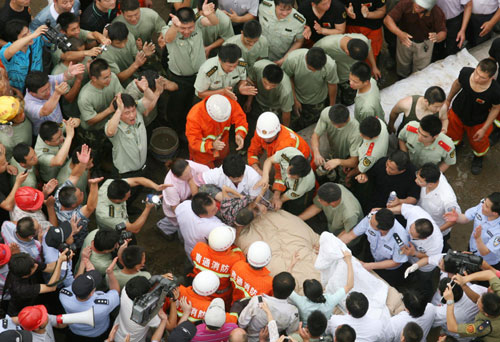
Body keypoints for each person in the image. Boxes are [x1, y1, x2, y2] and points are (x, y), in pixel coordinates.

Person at [162, 4, 219, 138]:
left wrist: (209, 14)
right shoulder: (171, 27)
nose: (187, 31)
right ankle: (175, 128)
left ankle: (189, 126)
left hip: (199, 75)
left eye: (190, 27)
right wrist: (176, 27)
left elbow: (214, 22)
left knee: (192, 102)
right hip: (179, 77)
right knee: (176, 104)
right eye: (183, 28)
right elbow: (167, 38)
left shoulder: (197, 21)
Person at [445, 59, 500, 174]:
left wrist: (484, 128)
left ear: (491, 78)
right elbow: (457, 84)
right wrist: (448, 100)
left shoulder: (495, 91)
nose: (476, 78)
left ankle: (478, 157)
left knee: (479, 142)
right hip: (457, 112)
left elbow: (496, 108)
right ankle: (456, 145)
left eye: (482, 78)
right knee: (452, 134)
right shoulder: (465, 73)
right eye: (476, 73)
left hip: (478, 121)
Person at [340, 208, 409, 287]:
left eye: (372, 224)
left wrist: (370, 266)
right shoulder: (372, 217)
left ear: (383, 230)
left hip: (388, 268)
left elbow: (396, 262)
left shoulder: (401, 239)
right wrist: (334, 243)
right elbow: (351, 235)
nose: (369, 222)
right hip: (372, 254)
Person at [389, 203, 443, 302]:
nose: (408, 232)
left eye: (412, 234)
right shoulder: (416, 213)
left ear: (424, 238)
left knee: (422, 280)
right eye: (410, 228)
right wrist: (388, 211)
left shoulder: (436, 243)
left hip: (424, 267)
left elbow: (429, 257)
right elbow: (402, 208)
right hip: (409, 256)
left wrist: (414, 253)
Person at [383, 0, 447, 78]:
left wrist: (437, 37)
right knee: (402, 65)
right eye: (417, 2)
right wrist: (399, 33)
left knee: (420, 71)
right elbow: (387, 20)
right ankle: (402, 80)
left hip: (425, 43)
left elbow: (443, 32)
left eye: (422, 5)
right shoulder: (405, 3)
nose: (417, 6)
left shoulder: (436, 12)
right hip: (405, 40)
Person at [77, 58, 124, 164]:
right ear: (94, 78)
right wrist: (110, 110)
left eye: (110, 75)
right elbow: (90, 121)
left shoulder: (114, 78)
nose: (110, 79)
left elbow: (120, 93)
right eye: (105, 78)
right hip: (93, 131)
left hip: (109, 123)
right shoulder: (85, 97)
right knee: (94, 153)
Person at [105, 91, 161, 177]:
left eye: (133, 110)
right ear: (118, 113)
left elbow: (151, 98)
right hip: (126, 174)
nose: (132, 115)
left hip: (143, 165)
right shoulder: (113, 125)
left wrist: (145, 88)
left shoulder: (138, 112)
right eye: (127, 113)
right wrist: (119, 109)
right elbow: (110, 132)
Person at [314, 33, 380, 105]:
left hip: (350, 77)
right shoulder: (324, 45)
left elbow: (369, 49)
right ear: (347, 52)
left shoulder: (363, 40)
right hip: (334, 79)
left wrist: (374, 66)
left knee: (351, 101)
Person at [59, 264, 120, 341]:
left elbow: (73, 284)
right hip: (97, 335)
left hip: (74, 331)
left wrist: (82, 264)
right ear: (92, 292)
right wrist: (110, 273)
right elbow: (115, 292)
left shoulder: (63, 295)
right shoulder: (103, 306)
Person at [282, 47, 339, 130]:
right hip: (296, 96)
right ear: (305, 58)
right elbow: (288, 78)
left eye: (317, 69)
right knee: (293, 125)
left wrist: (332, 105)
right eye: (311, 68)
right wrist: (294, 99)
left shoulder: (330, 65)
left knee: (311, 125)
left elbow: (332, 84)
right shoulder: (293, 59)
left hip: (317, 100)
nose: (314, 71)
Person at [289, 252, 353, 323]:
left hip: (305, 329)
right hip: (324, 329)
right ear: (322, 290)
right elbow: (349, 286)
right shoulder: (330, 301)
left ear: (306, 294)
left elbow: (287, 287)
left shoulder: (301, 302)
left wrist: (292, 264)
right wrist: (349, 262)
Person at [186, 94, 248, 168]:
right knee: (207, 173)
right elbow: (194, 142)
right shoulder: (195, 117)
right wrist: (211, 145)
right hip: (203, 154)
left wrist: (240, 134)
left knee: (222, 163)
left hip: (222, 145)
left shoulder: (226, 104)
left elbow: (240, 118)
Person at [239, 272, 300, 342]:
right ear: (290, 292)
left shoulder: (258, 301)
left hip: (249, 338)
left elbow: (242, 323)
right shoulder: (293, 311)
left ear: (272, 286)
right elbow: (291, 333)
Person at [444, 192, 500, 269]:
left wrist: (478, 238)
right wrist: (457, 217)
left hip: (487, 262)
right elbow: (466, 218)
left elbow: (485, 252)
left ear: (495, 213)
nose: (482, 205)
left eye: (486, 206)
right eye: (484, 202)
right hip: (472, 249)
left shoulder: (498, 231)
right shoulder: (482, 206)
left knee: (484, 279)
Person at [191, 225, 244, 305]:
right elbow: (240, 256)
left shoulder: (199, 248)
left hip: (200, 287)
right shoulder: (235, 259)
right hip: (222, 295)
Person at [157, 158, 209, 240]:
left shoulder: (189, 165)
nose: (191, 175)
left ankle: (163, 226)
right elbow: (176, 210)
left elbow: (207, 171)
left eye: (190, 171)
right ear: (176, 176)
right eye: (186, 175)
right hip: (176, 207)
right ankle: (163, 228)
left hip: (188, 199)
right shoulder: (170, 186)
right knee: (182, 225)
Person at [113, 276, 177, 342]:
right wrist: (173, 302)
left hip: (116, 333)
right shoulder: (147, 314)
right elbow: (171, 326)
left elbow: (141, 288)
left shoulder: (125, 290)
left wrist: (161, 278)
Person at [4, 250, 68, 316]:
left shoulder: (27, 262)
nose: (36, 265)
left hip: (37, 299)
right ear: (25, 275)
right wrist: (60, 262)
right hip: (23, 312)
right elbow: (51, 287)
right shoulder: (20, 288)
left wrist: (63, 259)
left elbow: (48, 268)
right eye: (33, 267)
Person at [248, 112, 311, 178]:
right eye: (264, 137)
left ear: (277, 131)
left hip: (301, 163)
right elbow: (253, 151)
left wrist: (276, 186)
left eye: (270, 137)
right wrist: (256, 168)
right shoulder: (262, 132)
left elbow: (282, 171)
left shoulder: (285, 144)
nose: (266, 140)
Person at [444, 270, 500, 342]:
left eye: (480, 303)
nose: (478, 299)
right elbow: (490, 274)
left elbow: (453, 327)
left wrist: (450, 302)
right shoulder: (496, 300)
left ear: (486, 314)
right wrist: (464, 281)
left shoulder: (485, 327)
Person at [415, 163, 460, 250]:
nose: (416, 180)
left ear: (430, 184)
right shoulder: (431, 174)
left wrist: (435, 231)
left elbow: (454, 220)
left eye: (420, 181)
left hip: (436, 227)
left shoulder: (447, 199)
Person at [355, 150, 420, 211]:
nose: (387, 169)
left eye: (391, 169)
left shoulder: (413, 175)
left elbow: (413, 199)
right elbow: (369, 174)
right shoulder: (382, 161)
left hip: (393, 208)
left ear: (402, 171)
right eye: (387, 165)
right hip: (374, 199)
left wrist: (400, 201)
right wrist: (364, 177)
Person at [257, 147, 315, 214]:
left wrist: (279, 200)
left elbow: (286, 197)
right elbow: (269, 160)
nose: (288, 176)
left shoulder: (303, 184)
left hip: (303, 193)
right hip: (288, 184)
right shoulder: (287, 154)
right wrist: (265, 177)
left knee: (296, 207)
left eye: (293, 177)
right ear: (290, 163)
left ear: (300, 177)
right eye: (288, 171)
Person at [96, 177, 167, 232]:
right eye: (128, 196)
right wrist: (147, 208)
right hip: (113, 232)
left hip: (123, 215)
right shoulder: (108, 216)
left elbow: (137, 180)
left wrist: (156, 187)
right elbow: (134, 229)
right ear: (118, 200)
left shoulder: (110, 184)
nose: (130, 195)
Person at [311, 104, 362, 178]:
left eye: (335, 124)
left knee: (344, 176)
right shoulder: (326, 113)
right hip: (333, 150)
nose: (331, 124)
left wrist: (338, 162)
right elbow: (315, 136)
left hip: (346, 157)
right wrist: (316, 153)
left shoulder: (356, 132)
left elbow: (354, 162)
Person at [433, 277, 487, 341]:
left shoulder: (444, 312)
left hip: (461, 338)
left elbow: (451, 327)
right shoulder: (475, 288)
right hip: (478, 332)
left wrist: (450, 301)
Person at [299, 182, 363, 236]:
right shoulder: (331, 189)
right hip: (331, 225)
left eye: (320, 200)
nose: (318, 200)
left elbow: (348, 234)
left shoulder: (349, 214)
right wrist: (298, 218)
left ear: (332, 203)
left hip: (343, 236)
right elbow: (317, 207)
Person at [0, 22, 48, 91]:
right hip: (19, 92)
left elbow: (50, 42)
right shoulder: (6, 50)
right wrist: (32, 36)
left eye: (29, 32)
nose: (29, 35)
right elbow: (10, 51)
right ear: (14, 41)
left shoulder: (36, 39)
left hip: (39, 87)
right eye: (24, 35)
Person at [176, 192, 224, 260]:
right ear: (202, 215)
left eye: (215, 205)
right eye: (213, 210)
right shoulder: (213, 225)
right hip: (200, 254)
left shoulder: (185, 205)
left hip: (187, 243)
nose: (217, 209)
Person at [245, 61, 293, 127]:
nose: (268, 87)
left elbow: (286, 113)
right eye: (265, 83)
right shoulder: (257, 67)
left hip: (274, 108)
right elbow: (253, 81)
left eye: (272, 86)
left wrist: (285, 130)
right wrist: (249, 101)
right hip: (258, 101)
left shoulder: (286, 90)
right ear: (262, 76)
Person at [258, 0, 305, 66]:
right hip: (259, 53)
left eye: (289, 9)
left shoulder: (299, 22)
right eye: (281, 9)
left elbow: (299, 42)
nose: (285, 13)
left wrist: (283, 60)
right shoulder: (264, 7)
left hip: (279, 59)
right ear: (275, 5)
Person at [0, 96, 33, 161]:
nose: (23, 115)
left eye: (22, 111)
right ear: (10, 120)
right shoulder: (10, 140)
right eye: (19, 115)